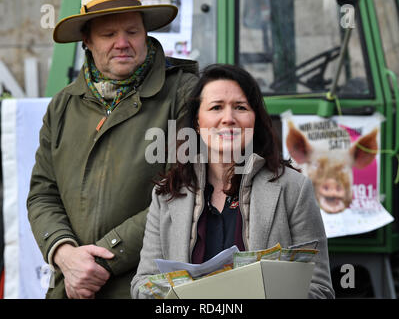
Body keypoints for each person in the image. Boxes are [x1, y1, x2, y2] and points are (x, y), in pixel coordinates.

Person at [27, 0, 198, 299]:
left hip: (151, 288)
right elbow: (43, 193)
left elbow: (184, 189)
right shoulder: (62, 105)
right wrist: (65, 255)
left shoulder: (185, 93)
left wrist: (99, 260)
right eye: (108, 35)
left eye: (132, 31)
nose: (122, 43)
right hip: (72, 286)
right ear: (87, 40)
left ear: (145, 34)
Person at [130, 64, 335, 299]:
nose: (228, 119)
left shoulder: (294, 189)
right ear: (197, 122)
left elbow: (320, 289)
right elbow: (143, 283)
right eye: (216, 107)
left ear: (254, 119)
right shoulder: (167, 194)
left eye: (240, 107)